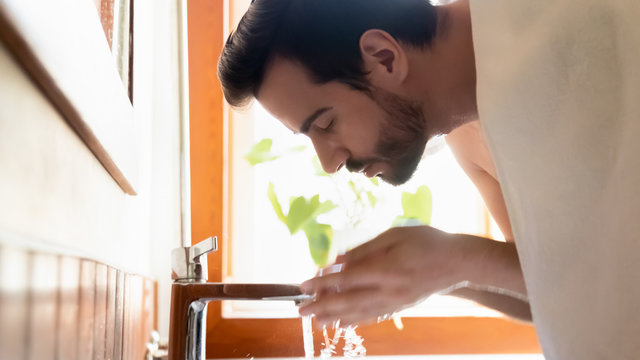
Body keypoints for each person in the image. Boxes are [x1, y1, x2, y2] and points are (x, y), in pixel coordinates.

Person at [217, 0, 640, 359]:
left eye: (326, 124)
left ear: (384, 56)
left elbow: (618, 284)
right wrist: (433, 274)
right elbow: (552, 290)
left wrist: (457, 258)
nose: (329, 162)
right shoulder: (466, 131)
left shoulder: (572, 35)